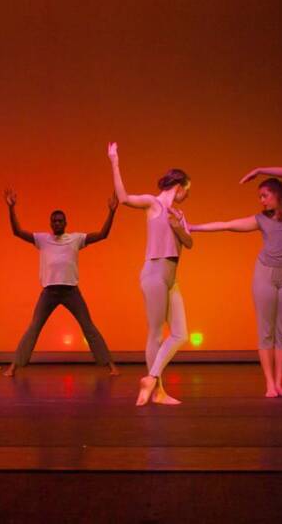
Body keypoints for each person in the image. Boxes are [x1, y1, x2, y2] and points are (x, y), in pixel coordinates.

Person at [189, 167, 282, 397]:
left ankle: (280, 383)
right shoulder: (261, 220)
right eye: (259, 197)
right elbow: (227, 225)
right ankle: (270, 385)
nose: (261, 201)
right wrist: (195, 227)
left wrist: (259, 170)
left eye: (264, 196)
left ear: (278, 195)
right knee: (266, 332)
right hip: (265, 275)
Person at [108, 142, 193, 406]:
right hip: (154, 273)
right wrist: (114, 161)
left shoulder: (179, 214)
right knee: (156, 333)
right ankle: (157, 391)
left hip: (171, 277)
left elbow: (189, 244)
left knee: (181, 334)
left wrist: (178, 227)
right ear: (178, 187)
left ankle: (152, 378)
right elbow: (123, 198)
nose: (186, 197)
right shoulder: (152, 203)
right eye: (186, 191)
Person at [2, 189, 120, 377]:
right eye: (54, 221)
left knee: (88, 326)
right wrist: (11, 208)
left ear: (65, 223)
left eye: (60, 221)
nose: (57, 223)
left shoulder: (76, 238)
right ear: (51, 223)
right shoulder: (42, 239)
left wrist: (112, 212)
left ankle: (111, 365)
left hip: (71, 291)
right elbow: (17, 231)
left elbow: (102, 234)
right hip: (49, 292)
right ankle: (14, 366)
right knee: (34, 327)